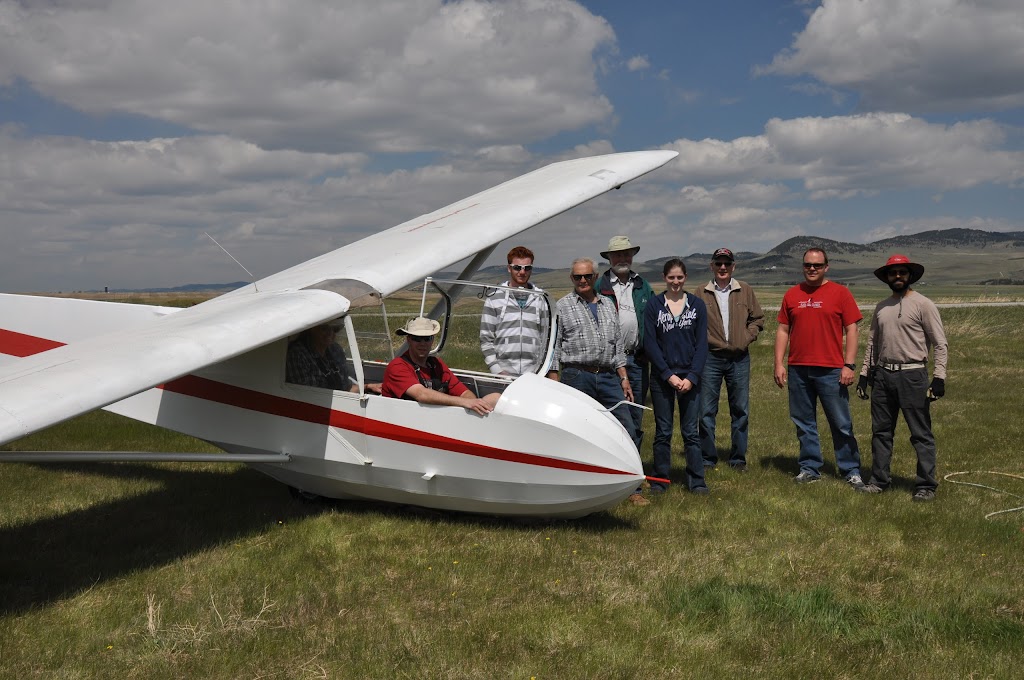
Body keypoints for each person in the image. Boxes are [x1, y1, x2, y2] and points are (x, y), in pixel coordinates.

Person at [547, 257, 646, 505]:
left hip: (608, 375)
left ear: (595, 277)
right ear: (572, 279)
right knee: (577, 431)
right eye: (577, 277)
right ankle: (576, 486)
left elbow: (618, 346)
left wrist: (624, 377)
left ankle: (632, 487)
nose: (583, 281)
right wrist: (554, 380)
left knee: (626, 428)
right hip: (576, 375)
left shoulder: (607, 304)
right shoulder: (563, 306)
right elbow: (554, 347)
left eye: (587, 276)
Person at [856, 254, 948, 502]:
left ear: (909, 276)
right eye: (893, 273)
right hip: (883, 376)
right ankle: (879, 480)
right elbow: (872, 343)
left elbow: (940, 343)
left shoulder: (923, 304)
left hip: (913, 375)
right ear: (886, 277)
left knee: (920, 433)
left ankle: (926, 485)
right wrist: (864, 374)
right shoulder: (881, 307)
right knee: (881, 432)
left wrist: (939, 377)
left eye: (902, 272)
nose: (897, 277)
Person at [773, 248, 865, 488]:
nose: (811, 269)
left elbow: (852, 329)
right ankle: (809, 467)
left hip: (831, 369)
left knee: (841, 423)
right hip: (798, 369)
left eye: (817, 265)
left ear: (826, 267)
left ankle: (850, 469)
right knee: (803, 422)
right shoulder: (792, 294)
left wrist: (849, 364)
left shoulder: (840, 293)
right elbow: (783, 329)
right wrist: (779, 363)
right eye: (807, 265)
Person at [644, 258, 709, 495]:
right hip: (663, 377)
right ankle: (660, 480)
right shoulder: (654, 305)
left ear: (685, 278)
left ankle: (697, 480)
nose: (675, 282)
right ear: (664, 278)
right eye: (671, 277)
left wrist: (691, 377)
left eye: (679, 277)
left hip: (690, 377)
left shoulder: (697, 306)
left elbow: (702, 345)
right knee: (663, 431)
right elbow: (650, 343)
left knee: (691, 431)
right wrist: (668, 374)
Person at [697, 247, 764, 472]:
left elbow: (757, 318)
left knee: (740, 410)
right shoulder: (700, 292)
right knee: (706, 411)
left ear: (733, 266)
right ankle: (707, 458)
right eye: (718, 263)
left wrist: (747, 337)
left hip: (739, 358)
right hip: (710, 358)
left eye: (727, 263)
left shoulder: (744, 290)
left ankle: (738, 459)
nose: (722, 267)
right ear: (712, 266)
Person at [596, 235, 654, 451]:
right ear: (609, 257)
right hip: (608, 362)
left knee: (635, 412)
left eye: (626, 254)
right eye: (618, 254)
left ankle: (634, 467)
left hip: (637, 360)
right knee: (610, 413)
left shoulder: (642, 285)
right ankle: (610, 462)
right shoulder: (598, 285)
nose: (623, 258)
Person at [382, 317, 500, 416]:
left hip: (435, 421)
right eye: (417, 339)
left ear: (432, 340)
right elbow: (421, 394)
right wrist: (465, 403)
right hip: (406, 423)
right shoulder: (397, 366)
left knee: (496, 397)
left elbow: (464, 393)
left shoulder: (436, 364)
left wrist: (472, 403)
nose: (423, 343)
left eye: (427, 338)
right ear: (409, 340)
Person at [480, 245, 549, 376]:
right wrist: (497, 370)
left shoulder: (541, 298)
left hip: (534, 374)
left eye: (527, 268)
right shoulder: (494, 298)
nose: (522, 272)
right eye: (517, 267)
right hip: (503, 374)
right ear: (509, 268)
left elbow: (546, 337)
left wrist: (541, 370)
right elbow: (485, 339)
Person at [286, 322, 358, 392]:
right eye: (324, 329)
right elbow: (307, 394)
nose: (330, 333)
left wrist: (365, 387)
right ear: (312, 330)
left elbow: (345, 388)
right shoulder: (298, 354)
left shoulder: (335, 349)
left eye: (334, 329)